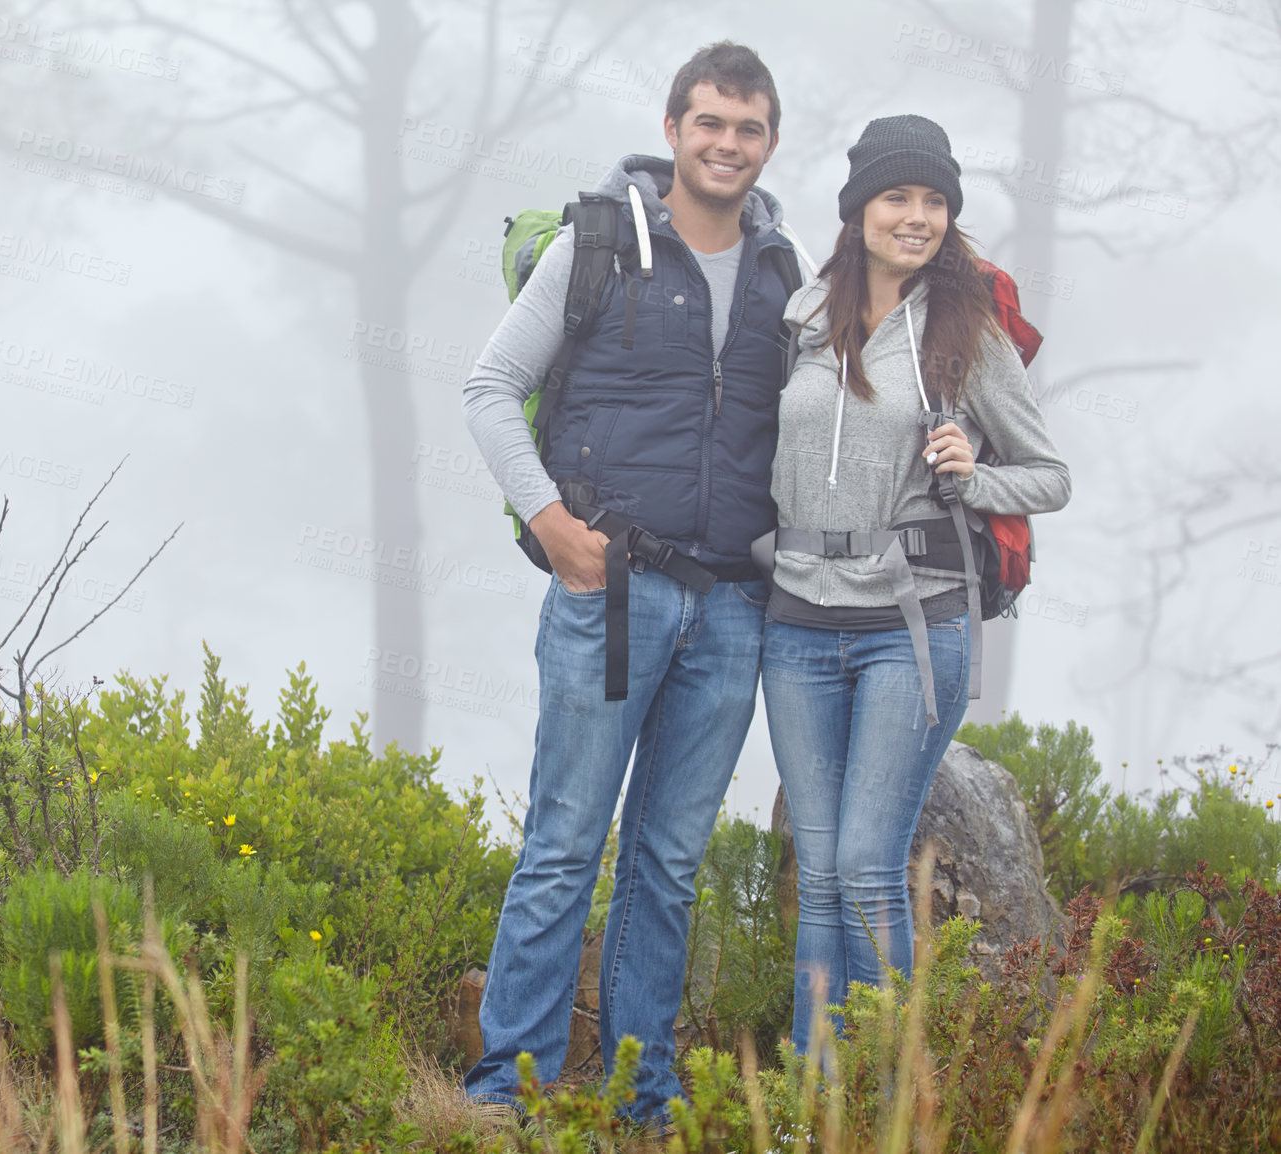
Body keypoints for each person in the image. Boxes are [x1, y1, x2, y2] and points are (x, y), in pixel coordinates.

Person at [459, 43, 799, 1124]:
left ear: (769, 142)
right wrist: (551, 522)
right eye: (708, 123)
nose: (726, 144)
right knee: (563, 846)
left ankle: (641, 1103)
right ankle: (502, 1087)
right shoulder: (598, 243)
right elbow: (489, 384)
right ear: (672, 127)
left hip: (732, 607)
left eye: (746, 129)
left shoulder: (785, 274)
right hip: (610, 593)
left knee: (668, 864)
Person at [757, 115, 1071, 1057]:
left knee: (864, 867)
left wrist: (975, 478)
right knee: (819, 874)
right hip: (797, 624)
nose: (918, 217)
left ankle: (897, 1099)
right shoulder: (801, 318)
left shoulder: (965, 328)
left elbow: (1050, 475)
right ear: (858, 211)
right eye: (899, 197)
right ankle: (824, 1102)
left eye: (935, 201)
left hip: (912, 621)